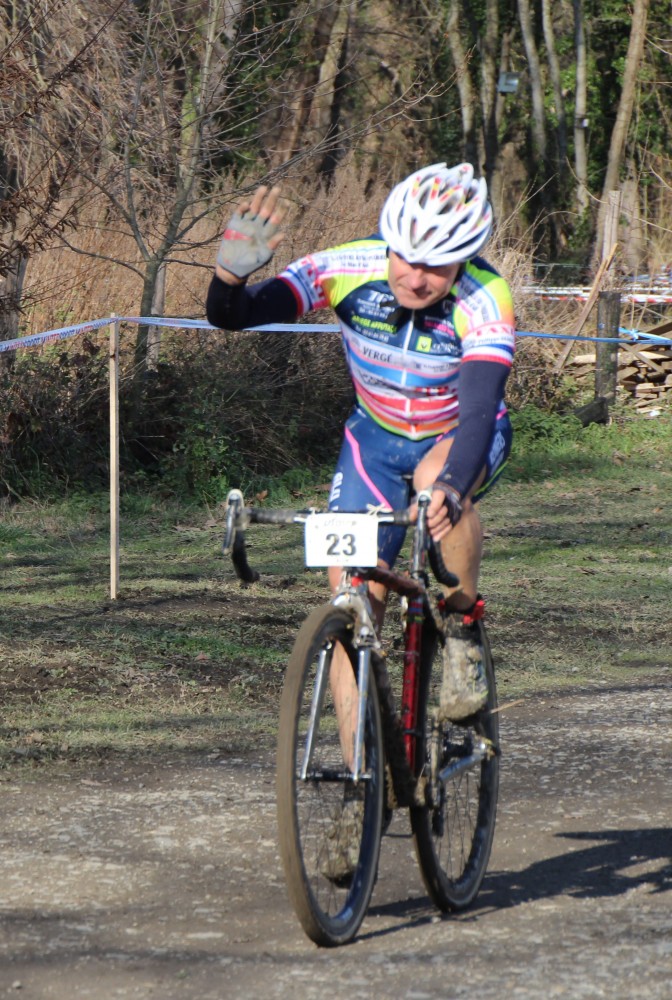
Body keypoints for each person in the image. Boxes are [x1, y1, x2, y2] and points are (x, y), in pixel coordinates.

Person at [206, 163, 515, 728]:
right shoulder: (346, 267)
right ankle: (361, 790)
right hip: (373, 440)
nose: (416, 278)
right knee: (352, 599)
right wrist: (228, 280)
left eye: (436, 267)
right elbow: (237, 317)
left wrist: (449, 487)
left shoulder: (486, 296)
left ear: (463, 260)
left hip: (460, 435)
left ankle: (463, 627)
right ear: (387, 242)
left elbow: (476, 412)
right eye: (405, 258)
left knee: (434, 490)